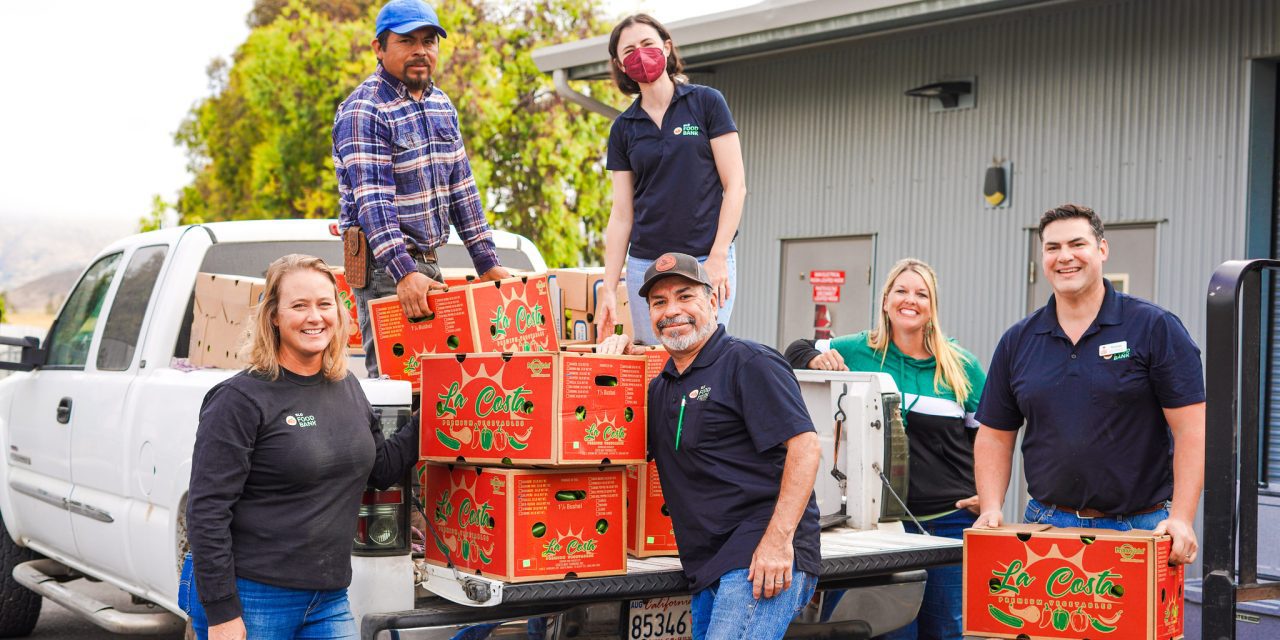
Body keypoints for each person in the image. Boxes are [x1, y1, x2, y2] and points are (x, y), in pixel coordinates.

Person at [181, 255, 420, 640]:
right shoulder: (240, 400)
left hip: (329, 597)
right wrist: (223, 613)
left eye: (325, 304)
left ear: (339, 312)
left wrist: (446, 405)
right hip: (254, 596)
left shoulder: (347, 387)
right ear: (273, 316)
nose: (315, 317)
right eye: (299, 305)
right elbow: (207, 511)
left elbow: (381, 470)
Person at [598, 252, 821, 640]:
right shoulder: (661, 386)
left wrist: (776, 543)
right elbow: (606, 447)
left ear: (714, 302)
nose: (672, 311)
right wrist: (610, 368)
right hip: (706, 566)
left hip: (758, 559)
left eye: (686, 296)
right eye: (659, 302)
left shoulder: (749, 362)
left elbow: (806, 446)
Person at [973, 204, 1205, 567]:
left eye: (1076, 244)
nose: (1064, 257)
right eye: (1052, 248)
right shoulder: (1018, 340)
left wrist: (1182, 517)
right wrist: (990, 507)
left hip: (1140, 529)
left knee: (1130, 626)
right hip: (1047, 526)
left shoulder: (1154, 328)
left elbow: (1192, 429)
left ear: (1102, 249)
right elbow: (995, 434)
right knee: (1040, 625)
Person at [783, 258, 985, 640]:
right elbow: (793, 350)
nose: (911, 300)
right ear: (886, 300)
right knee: (886, 630)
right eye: (902, 291)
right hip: (878, 527)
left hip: (949, 523)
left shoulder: (961, 365)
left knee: (944, 629)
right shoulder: (859, 349)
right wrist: (814, 357)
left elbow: (991, 435)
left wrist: (988, 495)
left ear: (933, 305)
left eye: (921, 293)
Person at [333, 0, 510, 376]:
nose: (420, 51)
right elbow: (373, 204)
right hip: (386, 271)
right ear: (378, 49)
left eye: (428, 41)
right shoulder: (365, 110)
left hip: (428, 266)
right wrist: (403, 272)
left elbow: (462, 187)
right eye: (406, 41)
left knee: (440, 389)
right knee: (397, 388)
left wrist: (487, 263)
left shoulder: (441, 104)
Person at [594, 14, 746, 345]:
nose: (641, 53)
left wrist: (719, 256)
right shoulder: (623, 127)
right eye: (630, 50)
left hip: (705, 258)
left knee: (706, 357)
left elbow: (735, 186)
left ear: (666, 47)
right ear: (621, 64)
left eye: (647, 44)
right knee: (656, 364)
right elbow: (622, 214)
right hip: (646, 265)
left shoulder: (706, 103)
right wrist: (608, 287)